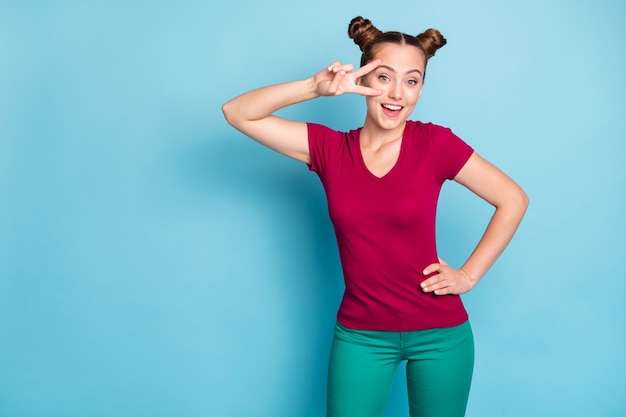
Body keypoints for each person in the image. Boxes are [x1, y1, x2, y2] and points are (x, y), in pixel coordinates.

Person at [222, 16, 528, 417]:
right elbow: (237, 112)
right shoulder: (330, 150)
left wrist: (468, 275)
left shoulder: (435, 143)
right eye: (384, 77)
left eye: (412, 80)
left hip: (441, 335)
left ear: (421, 87)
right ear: (364, 78)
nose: (397, 93)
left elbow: (513, 199)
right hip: (362, 336)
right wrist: (313, 88)